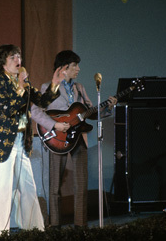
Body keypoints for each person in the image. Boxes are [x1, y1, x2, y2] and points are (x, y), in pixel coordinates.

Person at [0, 44, 67, 233]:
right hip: (4, 143)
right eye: (13, 57)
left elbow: (43, 101)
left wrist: (55, 84)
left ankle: (35, 229)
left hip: (22, 141)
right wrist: (20, 89)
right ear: (3, 63)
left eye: (19, 56)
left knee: (29, 186)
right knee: (5, 187)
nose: (17, 60)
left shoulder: (25, 84)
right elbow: (6, 109)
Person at [31, 50, 117, 228]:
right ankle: (54, 224)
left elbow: (90, 112)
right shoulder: (48, 87)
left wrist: (108, 108)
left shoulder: (79, 88)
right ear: (63, 68)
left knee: (81, 182)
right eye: (74, 65)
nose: (78, 69)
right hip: (57, 140)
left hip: (78, 137)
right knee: (54, 185)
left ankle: (80, 225)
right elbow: (39, 111)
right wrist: (56, 126)